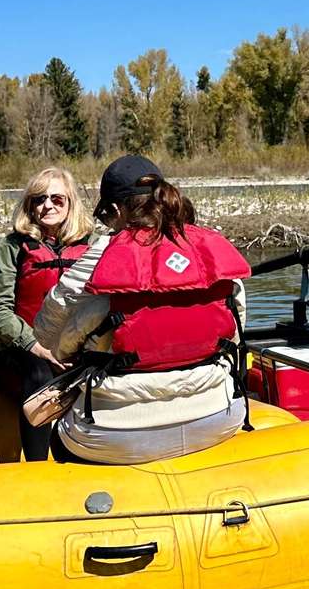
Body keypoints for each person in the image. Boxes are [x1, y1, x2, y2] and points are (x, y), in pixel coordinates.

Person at [32, 155, 250, 465]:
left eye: (107, 217)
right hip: (218, 415)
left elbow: (48, 335)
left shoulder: (101, 256)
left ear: (118, 210)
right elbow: (237, 326)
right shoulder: (208, 248)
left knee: (58, 436)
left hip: (115, 432)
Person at [0, 167, 94, 461]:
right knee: (38, 371)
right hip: (19, 354)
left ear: (71, 203)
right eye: (39, 199)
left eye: (57, 199)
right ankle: (36, 463)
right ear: (29, 205)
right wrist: (39, 348)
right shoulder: (11, 246)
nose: (48, 206)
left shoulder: (92, 247)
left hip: (73, 350)